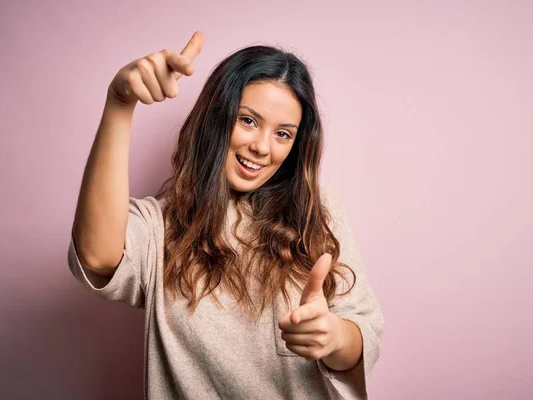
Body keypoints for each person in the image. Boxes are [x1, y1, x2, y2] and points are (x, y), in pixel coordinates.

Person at [68, 31, 384, 399]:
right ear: (216, 118)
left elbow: (363, 333)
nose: (262, 147)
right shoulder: (162, 227)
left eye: (283, 133)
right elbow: (97, 255)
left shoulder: (316, 212)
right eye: (248, 121)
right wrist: (120, 104)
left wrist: (332, 335)